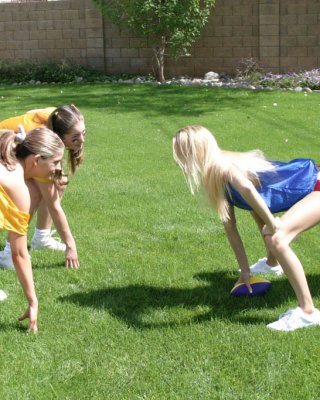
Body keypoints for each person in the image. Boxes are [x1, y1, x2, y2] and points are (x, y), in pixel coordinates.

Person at [173, 125, 320, 331]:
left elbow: (248, 189)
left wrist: (272, 224)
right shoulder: (214, 177)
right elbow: (231, 229)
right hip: (313, 183)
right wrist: (245, 272)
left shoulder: (223, 166)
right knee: (256, 211)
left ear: (192, 153)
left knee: (276, 238)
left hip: (317, 184)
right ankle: (272, 263)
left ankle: (308, 312)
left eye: (180, 154)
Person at [0, 105, 85, 269]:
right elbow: (54, 206)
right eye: (75, 138)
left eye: (84, 133)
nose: (82, 140)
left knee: (59, 182)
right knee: (32, 193)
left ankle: (42, 238)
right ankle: (11, 252)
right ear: (59, 137)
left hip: (16, 152)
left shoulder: (59, 118)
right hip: (4, 150)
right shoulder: (41, 144)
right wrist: (70, 245)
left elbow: (33, 112)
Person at [0, 127, 65, 332]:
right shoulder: (18, 188)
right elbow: (19, 254)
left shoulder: (7, 164)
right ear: (36, 160)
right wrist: (33, 301)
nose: (58, 168)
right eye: (55, 162)